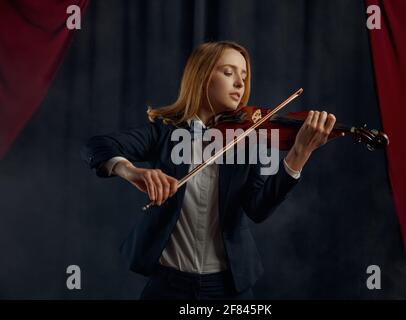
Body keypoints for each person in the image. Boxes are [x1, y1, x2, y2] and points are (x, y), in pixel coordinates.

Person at [81, 41, 336, 300]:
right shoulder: (165, 133)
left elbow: (258, 209)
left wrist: (298, 155)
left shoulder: (248, 140)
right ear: (202, 76)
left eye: (244, 76)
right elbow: (97, 146)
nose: (240, 83)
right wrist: (132, 171)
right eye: (228, 72)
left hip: (228, 287)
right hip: (168, 285)